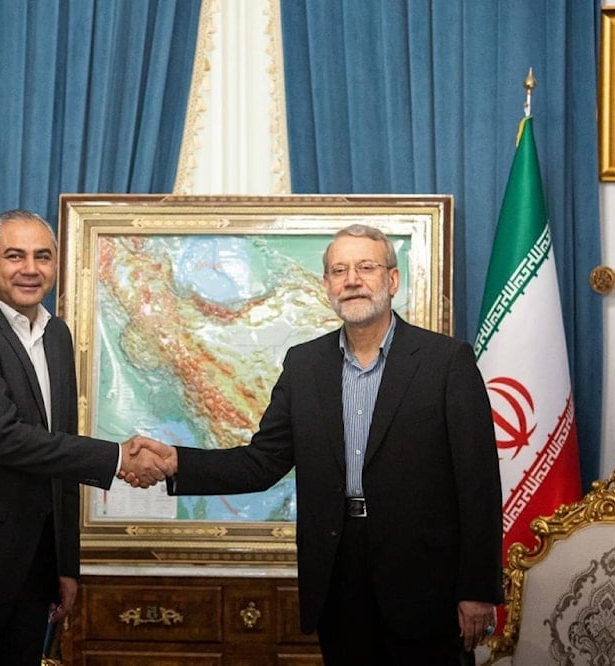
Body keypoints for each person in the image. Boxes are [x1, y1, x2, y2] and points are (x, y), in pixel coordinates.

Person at [128, 224, 503, 665]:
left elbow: (478, 483)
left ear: (393, 280)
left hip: (425, 580)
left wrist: (477, 591)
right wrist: (176, 462)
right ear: (327, 285)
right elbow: (261, 462)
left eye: (366, 267)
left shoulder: (446, 361)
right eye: (339, 270)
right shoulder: (304, 364)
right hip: (337, 574)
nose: (352, 280)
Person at [0, 209, 174, 665]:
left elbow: (58, 453)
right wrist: (115, 458)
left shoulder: (57, 335)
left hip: (31, 569)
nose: (31, 268)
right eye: (15, 256)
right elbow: (4, 437)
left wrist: (64, 565)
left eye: (43, 256)